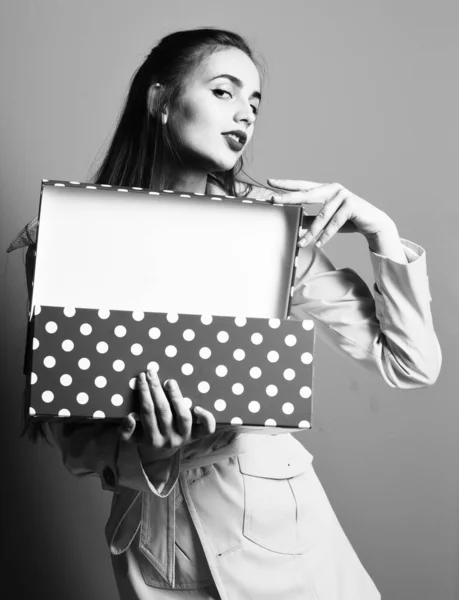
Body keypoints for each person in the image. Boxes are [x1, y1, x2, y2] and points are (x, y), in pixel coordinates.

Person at [8, 28, 442, 600]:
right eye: (223, 92)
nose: (245, 114)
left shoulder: (271, 229)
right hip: (161, 553)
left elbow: (411, 365)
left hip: (282, 539)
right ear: (160, 101)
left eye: (255, 102)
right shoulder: (72, 233)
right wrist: (148, 454)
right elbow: (71, 434)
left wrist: (381, 234)